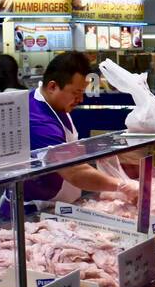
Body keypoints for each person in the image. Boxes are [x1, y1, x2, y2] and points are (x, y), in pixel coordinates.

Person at [18, 51, 139, 209]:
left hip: (59, 203)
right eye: (76, 93)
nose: (81, 100)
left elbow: (69, 151)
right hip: (32, 209)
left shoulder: (55, 104)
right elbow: (74, 172)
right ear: (52, 86)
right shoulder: (38, 122)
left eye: (82, 92)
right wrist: (121, 185)